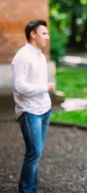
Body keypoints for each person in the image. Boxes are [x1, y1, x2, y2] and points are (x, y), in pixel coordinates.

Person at [12, 19, 56, 193]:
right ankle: (26, 190)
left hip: (44, 109)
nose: (47, 37)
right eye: (44, 33)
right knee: (34, 152)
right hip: (30, 111)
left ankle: (32, 189)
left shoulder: (40, 56)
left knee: (36, 153)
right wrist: (45, 87)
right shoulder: (22, 56)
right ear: (33, 34)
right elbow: (19, 86)